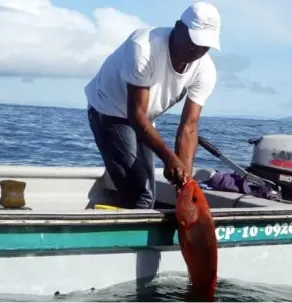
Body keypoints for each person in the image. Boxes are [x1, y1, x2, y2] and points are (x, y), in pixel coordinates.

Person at [84, 1, 221, 209]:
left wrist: (185, 181)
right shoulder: (144, 46)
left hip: (144, 119)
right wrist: (169, 159)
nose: (198, 50)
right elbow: (136, 113)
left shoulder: (206, 70)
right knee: (142, 196)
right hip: (109, 109)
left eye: (205, 45)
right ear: (178, 28)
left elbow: (189, 127)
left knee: (149, 191)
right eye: (194, 40)